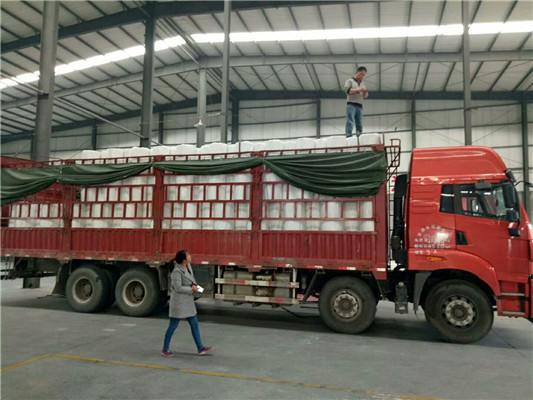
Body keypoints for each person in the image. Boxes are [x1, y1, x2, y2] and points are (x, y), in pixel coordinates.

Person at [161, 250, 212, 357]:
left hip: (187, 302)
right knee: (173, 326)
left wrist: (200, 289)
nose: (190, 256)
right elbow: (178, 287)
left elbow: (192, 282)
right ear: (184, 259)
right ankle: (165, 349)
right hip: (179, 303)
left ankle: (200, 348)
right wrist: (191, 289)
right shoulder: (176, 271)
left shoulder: (188, 266)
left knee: (194, 323)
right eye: (188, 255)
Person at [344, 66, 369, 138]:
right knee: (350, 121)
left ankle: (359, 137)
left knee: (359, 123)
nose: (362, 77)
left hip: (359, 105)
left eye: (364, 75)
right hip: (351, 104)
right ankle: (349, 136)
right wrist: (358, 90)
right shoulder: (349, 81)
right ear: (358, 72)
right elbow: (348, 90)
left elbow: (365, 97)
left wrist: (365, 93)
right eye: (362, 74)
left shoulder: (363, 84)